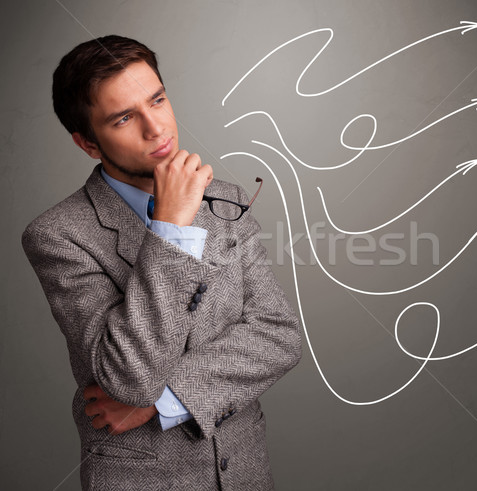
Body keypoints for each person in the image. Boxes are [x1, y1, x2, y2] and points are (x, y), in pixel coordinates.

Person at [21, 35, 302, 490]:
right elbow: (126, 378)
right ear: (88, 143)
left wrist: (163, 401)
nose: (157, 130)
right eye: (124, 118)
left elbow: (279, 334)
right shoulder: (58, 236)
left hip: (246, 471)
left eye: (158, 100)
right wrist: (170, 228)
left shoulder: (226, 201)